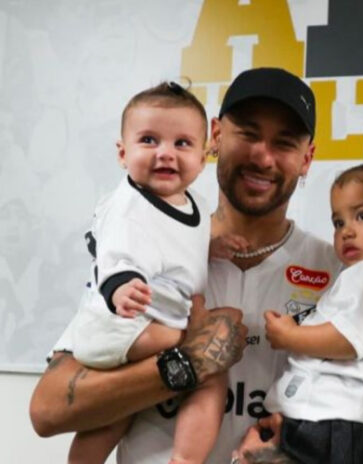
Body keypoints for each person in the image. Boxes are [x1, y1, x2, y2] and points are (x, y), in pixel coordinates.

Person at [29, 67, 342, 463]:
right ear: (216, 137)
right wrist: (188, 362)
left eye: (284, 143)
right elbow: (47, 409)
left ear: (307, 158)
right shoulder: (148, 247)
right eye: (247, 133)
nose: (263, 156)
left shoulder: (336, 273)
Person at [64, 82, 228, 464]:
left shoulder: (194, 206)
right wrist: (122, 287)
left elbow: (175, 248)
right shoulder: (126, 206)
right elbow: (115, 256)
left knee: (115, 416)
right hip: (121, 322)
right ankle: (185, 459)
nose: (166, 154)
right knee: (210, 368)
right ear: (123, 153)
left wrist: (211, 247)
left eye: (182, 143)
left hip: (142, 325)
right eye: (149, 140)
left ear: (203, 158)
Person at [262, 162, 363, 464]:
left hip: (335, 423)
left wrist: (290, 336)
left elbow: (348, 340)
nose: (347, 231)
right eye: (338, 223)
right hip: (343, 422)